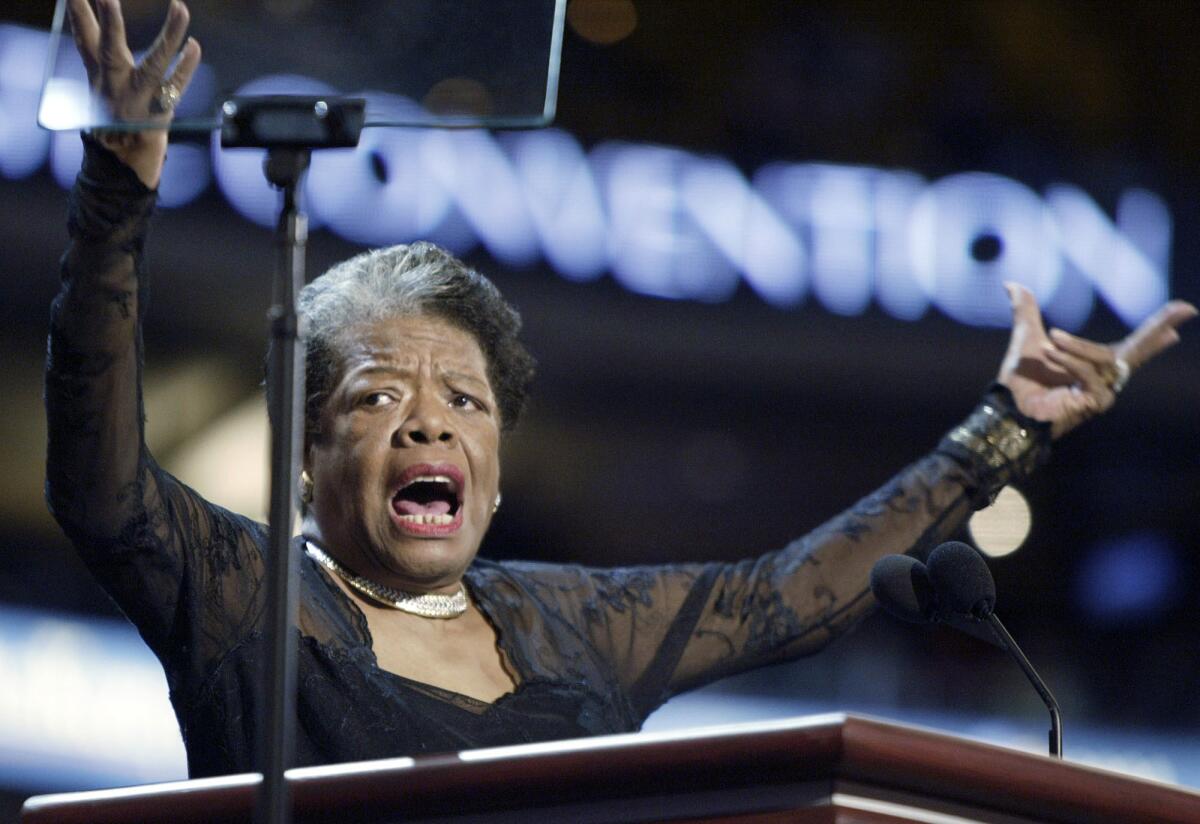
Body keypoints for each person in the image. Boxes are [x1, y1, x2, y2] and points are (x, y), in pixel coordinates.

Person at [46, 0, 1196, 778]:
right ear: (304, 454)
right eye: (377, 395)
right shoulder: (247, 597)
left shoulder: (572, 626)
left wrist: (1007, 425)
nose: (431, 414)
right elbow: (102, 487)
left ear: (492, 467)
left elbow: (797, 589)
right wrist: (115, 200)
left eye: (466, 396)